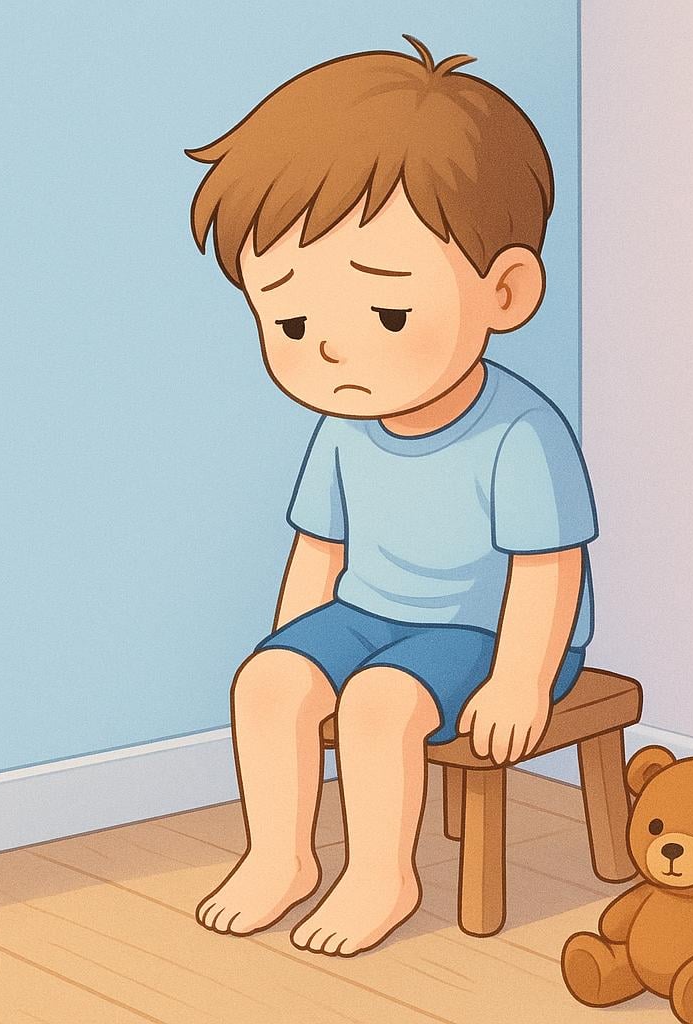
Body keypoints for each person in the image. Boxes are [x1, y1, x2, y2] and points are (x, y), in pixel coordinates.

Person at [185, 35, 597, 957]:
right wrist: (296, 649)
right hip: (368, 615)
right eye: (289, 318)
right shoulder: (342, 428)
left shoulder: (521, 434)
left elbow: (546, 567)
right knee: (267, 681)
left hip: (485, 635)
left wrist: (522, 678)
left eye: (386, 312)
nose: (329, 348)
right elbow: (319, 552)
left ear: (506, 290)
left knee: (378, 704)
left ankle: (381, 876)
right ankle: (280, 857)